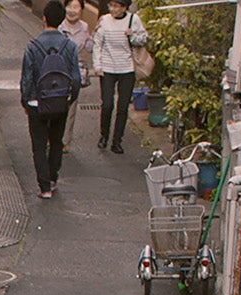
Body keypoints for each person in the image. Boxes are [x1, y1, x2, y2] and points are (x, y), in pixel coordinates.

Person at [20, 2, 81, 199]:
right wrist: (70, 98)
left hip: (37, 102)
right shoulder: (69, 45)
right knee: (56, 141)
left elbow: (27, 78)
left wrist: (26, 101)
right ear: (62, 19)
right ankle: (53, 178)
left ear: (44, 18)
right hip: (60, 101)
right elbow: (76, 78)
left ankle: (44, 186)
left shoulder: (32, 46)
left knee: (38, 144)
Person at [93, 0, 147, 154]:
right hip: (108, 68)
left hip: (127, 68)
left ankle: (117, 141)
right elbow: (98, 44)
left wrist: (133, 36)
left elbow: (143, 39)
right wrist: (98, 66)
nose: (113, 9)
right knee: (107, 104)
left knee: (123, 107)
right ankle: (104, 135)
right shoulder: (104, 20)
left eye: (117, 6)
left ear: (124, 7)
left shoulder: (133, 19)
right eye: (111, 6)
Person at [58, 0, 95, 152]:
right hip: (60, 70)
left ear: (81, 9)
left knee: (72, 106)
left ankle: (65, 140)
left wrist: (92, 37)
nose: (72, 10)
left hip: (75, 72)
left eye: (76, 7)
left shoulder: (84, 27)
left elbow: (90, 48)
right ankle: (53, 136)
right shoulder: (59, 27)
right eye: (69, 6)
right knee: (58, 104)